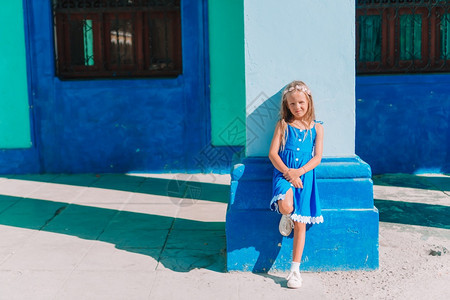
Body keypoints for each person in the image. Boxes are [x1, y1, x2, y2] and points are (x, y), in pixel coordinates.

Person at [268, 80, 324, 289]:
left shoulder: (317, 128)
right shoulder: (283, 125)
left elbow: (317, 157)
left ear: (308, 101)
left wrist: (299, 172)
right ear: (287, 106)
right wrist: (288, 173)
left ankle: (294, 271)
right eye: (292, 104)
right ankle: (285, 215)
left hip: (304, 178)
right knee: (286, 206)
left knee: (300, 224)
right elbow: (273, 153)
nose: (297, 107)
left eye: (301, 102)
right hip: (284, 175)